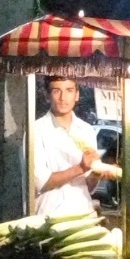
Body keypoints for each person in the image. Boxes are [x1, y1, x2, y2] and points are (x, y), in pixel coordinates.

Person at [33, 76, 102, 216]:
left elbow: (88, 185)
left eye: (69, 90)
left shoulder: (87, 130)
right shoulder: (36, 130)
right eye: (56, 91)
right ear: (47, 95)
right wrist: (81, 168)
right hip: (50, 216)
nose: (63, 98)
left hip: (83, 212)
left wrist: (97, 173)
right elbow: (41, 182)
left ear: (77, 95)